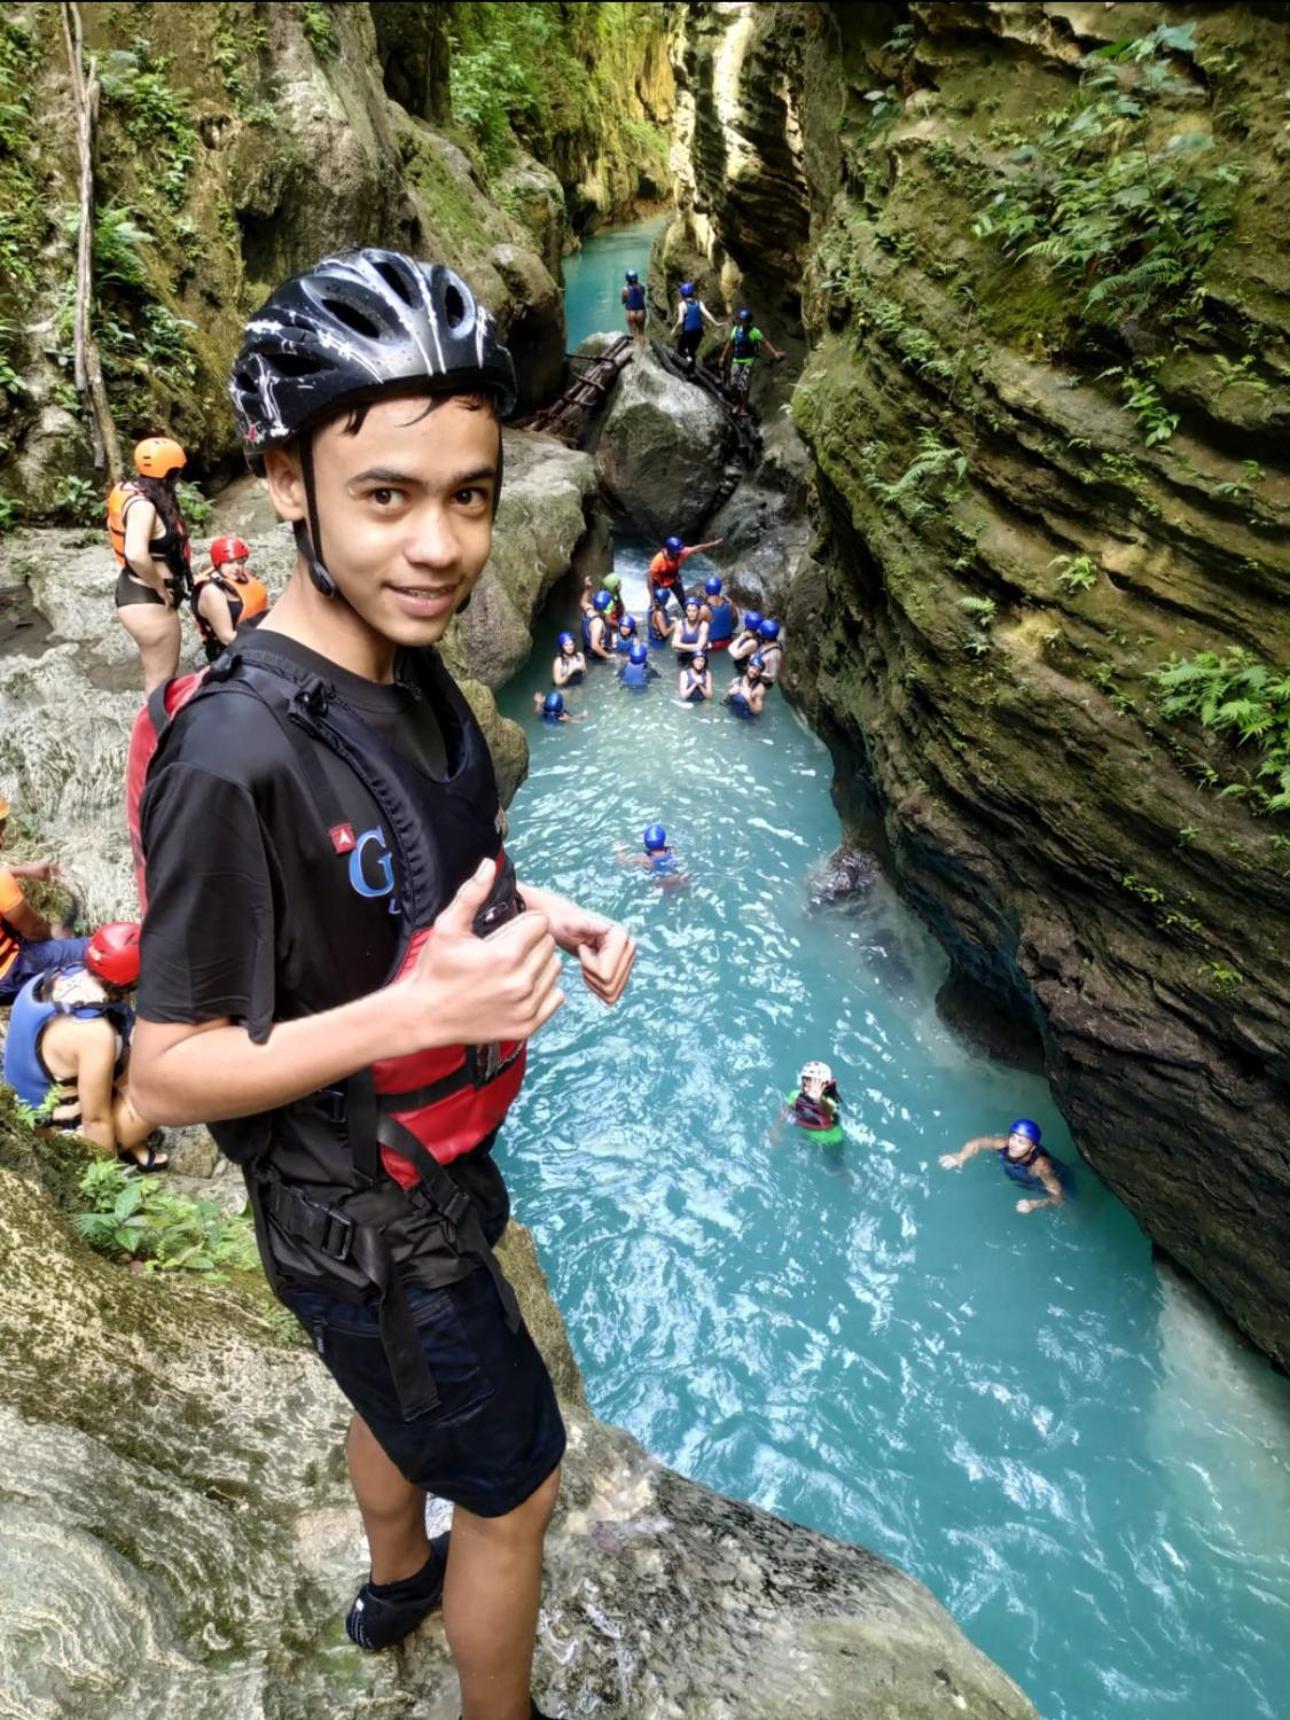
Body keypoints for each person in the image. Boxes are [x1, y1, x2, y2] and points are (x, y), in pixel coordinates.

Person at [128, 250, 636, 1720]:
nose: (439, 545)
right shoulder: (234, 757)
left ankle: (397, 1577)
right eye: (389, 496)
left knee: (391, 1407)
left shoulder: (405, 672)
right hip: (359, 1218)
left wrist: (544, 911)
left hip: (416, 1172)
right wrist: (422, 1019)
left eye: (469, 495)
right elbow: (167, 1067)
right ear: (289, 481)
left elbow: (421, 888)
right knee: (522, 1484)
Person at [3, 921, 167, 1171]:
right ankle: (124, 1144)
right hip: (50, 1133)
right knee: (162, 1096)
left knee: (129, 1046)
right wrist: (103, 1181)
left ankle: (133, 1142)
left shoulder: (53, 977)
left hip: (25, 1103)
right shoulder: (94, 1034)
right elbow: (96, 1121)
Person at [108, 435, 193, 692]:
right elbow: (135, 553)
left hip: (135, 593)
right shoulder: (144, 507)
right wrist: (159, 587)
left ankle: (155, 727)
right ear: (172, 471)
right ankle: (158, 731)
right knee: (162, 682)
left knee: (156, 677)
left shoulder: (132, 490)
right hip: (148, 599)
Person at [0, 794, 90, 1006]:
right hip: (8, 974)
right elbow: (34, 930)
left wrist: (24, 871)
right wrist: (56, 934)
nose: (2, 840)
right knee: (94, 951)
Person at [940, 1118, 1071, 1214]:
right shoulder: (1003, 1144)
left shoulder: (1040, 1166)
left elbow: (1058, 1197)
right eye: (1013, 1138)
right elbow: (977, 1143)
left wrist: (1034, 1204)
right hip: (1020, 1177)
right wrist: (961, 1156)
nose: (1014, 1144)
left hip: (1057, 1180)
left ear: (1032, 1148)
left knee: (1070, 1209)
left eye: (1021, 1142)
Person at [190, 533, 270, 663]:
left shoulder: (241, 579)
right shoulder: (212, 591)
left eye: (240, 562)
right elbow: (226, 637)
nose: (236, 568)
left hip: (249, 643)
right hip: (226, 656)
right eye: (230, 562)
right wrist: (266, 642)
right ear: (218, 563)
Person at [719, 308, 785, 417]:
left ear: (748, 321)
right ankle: (738, 404)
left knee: (744, 386)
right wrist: (722, 357)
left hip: (747, 362)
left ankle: (744, 407)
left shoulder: (754, 332)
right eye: (740, 320)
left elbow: (765, 342)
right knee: (734, 384)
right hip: (736, 360)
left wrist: (775, 353)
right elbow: (729, 344)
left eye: (743, 320)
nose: (741, 322)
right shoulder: (736, 330)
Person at [648, 534, 722, 609]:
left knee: (682, 600)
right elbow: (649, 579)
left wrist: (713, 544)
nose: (679, 554)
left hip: (673, 579)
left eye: (679, 552)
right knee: (657, 603)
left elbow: (697, 548)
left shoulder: (681, 553)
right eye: (676, 553)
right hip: (659, 582)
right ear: (669, 551)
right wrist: (652, 598)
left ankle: (689, 616)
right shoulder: (658, 561)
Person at [781, 1061, 843, 1144]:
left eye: (812, 1080)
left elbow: (831, 1110)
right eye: (805, 1079)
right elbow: (784, 1111)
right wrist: (775, 1130)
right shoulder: (795, 1095)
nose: (806, 1083)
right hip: (805, 1134)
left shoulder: (829, 1101)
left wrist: (818, 1099)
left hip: (831, 1141)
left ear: (825, 1084)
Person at [672, 281, 720, 373]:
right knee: (692, 351)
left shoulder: (682, 305)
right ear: (692, 293)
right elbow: (707, 314)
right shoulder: (699, 302)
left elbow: (681, 321)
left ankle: (686, 364)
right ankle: (691, 372)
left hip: (688, 332)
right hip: (699, 332)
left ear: (682, 294)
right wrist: (716, 323)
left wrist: (674, 329)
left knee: (681, 349)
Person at [615, 824, 685, 886]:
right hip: (676, 878)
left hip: (660, 884)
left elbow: (623, 861)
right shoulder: (671, 850)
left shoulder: (645, 859)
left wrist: (618, 850)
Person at [725, 652, 768, 718]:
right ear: (748, 666)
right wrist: (729, 694)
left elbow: (757, 711)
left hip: (747, 720)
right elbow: (725, 701)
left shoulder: (760, 688)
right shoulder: (736, 680)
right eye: (753, 668)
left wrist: (749, 699)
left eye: (758, 670)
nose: (754, 672)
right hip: (732, 714)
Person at [701, 576, 736, 653]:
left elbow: (692, 627)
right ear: (719, 589)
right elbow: (735, 622)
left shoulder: (704, 609)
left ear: (706, 589)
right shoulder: (729, 604)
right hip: (728, 642)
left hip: (711, 646)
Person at [672, 593, 709, 665]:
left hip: (699, 659)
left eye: (694, 610)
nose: (691, 613)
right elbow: (674, 646)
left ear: (698, 611)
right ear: (686, 611)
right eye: (689, 610)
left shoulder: (704, 625)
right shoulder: (680, 624)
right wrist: (696, 647)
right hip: (683, 658)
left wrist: (680, 646)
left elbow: (699, 647)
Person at [582, 588, 615, 662]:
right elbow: (594, 645)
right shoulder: (598, 623)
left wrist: (587, 588)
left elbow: (583, 602)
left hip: (587, 651)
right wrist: (608, 656)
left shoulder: (588, 609)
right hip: (598, 657)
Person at [621, 269, 647, 345]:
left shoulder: (625, 289)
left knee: (633, 332)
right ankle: (642, 348)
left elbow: (623, 301)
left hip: (630, 312)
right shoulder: (642, 287)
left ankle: (636, 349)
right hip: (641, 312)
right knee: (641, 332)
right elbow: (642, 295)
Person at [756, 617, 784, 683]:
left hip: (762, 680)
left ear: (764, 636)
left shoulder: (774, 654)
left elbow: (773, 676)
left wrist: (756, 672)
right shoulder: (765, 644)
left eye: (760, 633)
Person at [647, 585, 675, 650]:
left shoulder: (652, 608)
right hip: (659, 644)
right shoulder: (659, 614)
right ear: (665, 600)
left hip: (652, 640)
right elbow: (664, 633)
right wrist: (674, 625)